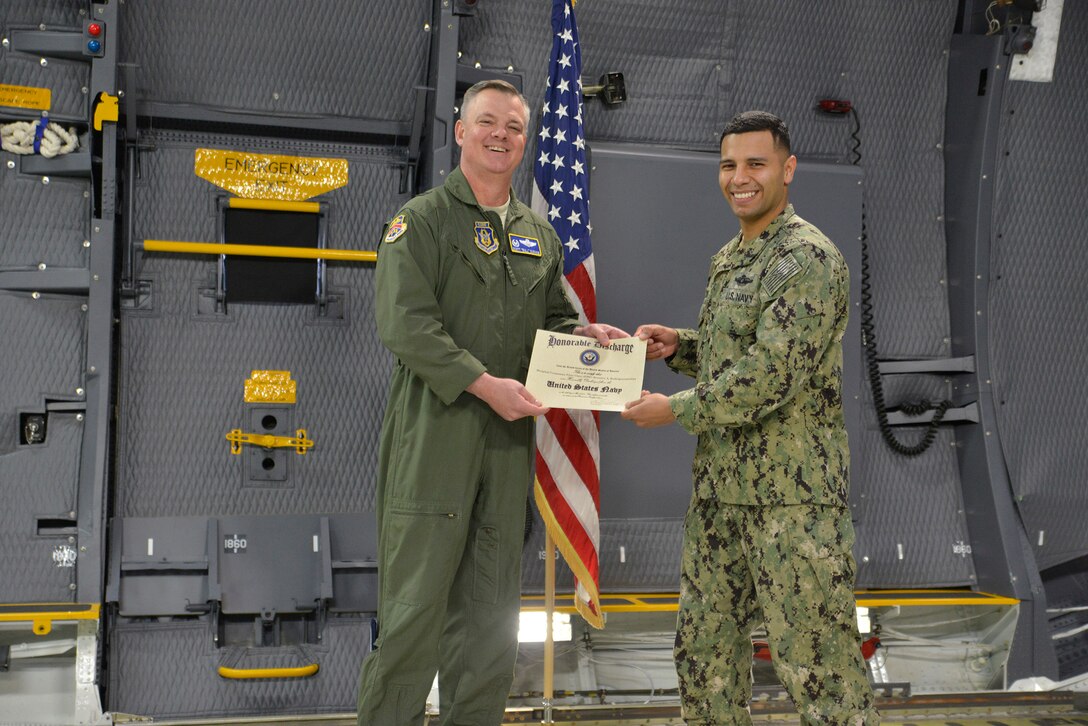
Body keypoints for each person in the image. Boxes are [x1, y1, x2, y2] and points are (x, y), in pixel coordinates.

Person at [356, 79, 626, 726]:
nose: (500, 135)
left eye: (512, 126)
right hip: (434, 442)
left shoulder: (538, 235)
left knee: (490, 622)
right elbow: (406, 325)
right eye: (487, 122)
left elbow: (553, 324)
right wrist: (484, 385)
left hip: (507, 452)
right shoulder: (419, 223)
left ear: (525, 140)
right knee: (413, 618)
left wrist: (585, 338)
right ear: (460, 131)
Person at [621, 110, 879, 725]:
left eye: (756, 164)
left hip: (793, 504)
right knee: (704, 661)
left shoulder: (808, 258)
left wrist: (674, 409)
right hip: (721, 496)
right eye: (729, 165)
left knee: (820, 671)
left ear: (787, 170)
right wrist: (676, 347)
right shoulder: (734, 256)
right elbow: (733, 355)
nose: (740, 178)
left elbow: (770, 374)